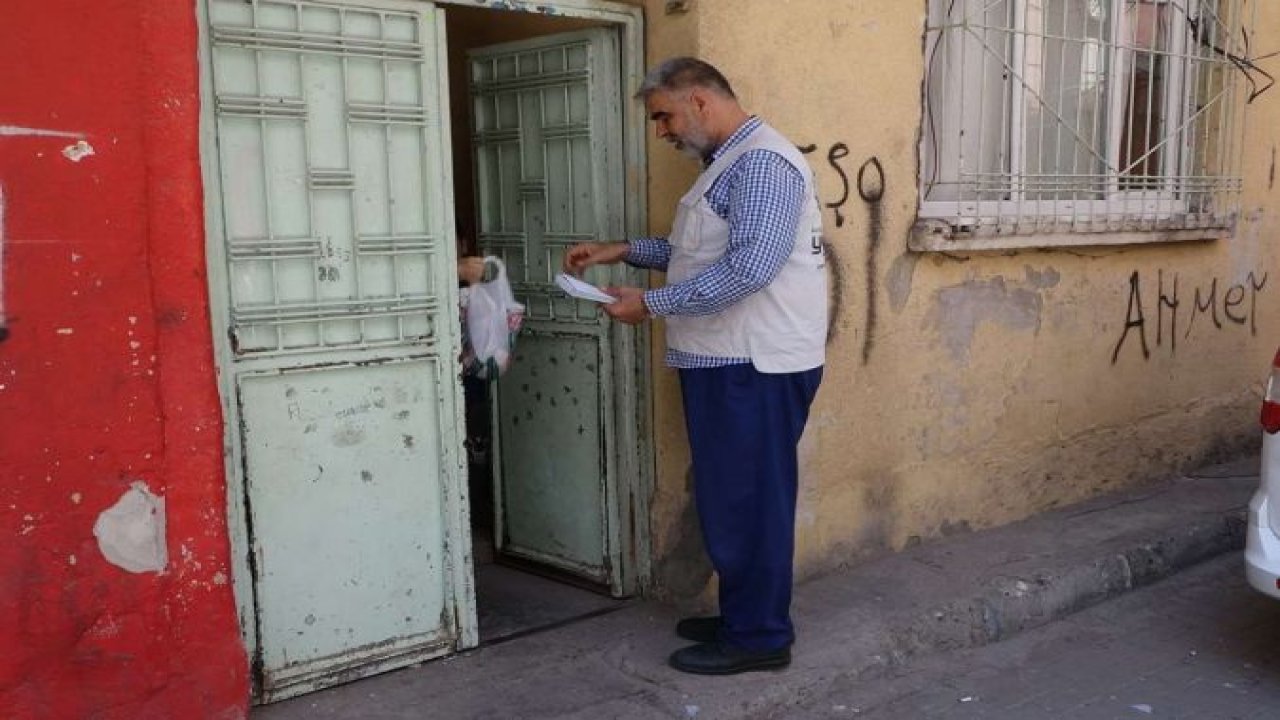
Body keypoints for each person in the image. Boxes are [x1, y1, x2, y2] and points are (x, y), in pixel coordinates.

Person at [563, 57, 827, 675]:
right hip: (730, 361)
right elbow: (697, 255)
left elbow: (750, 269)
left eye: (664, 116)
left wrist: (649, 304)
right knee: (732, 498)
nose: (661, 131)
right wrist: (624, 250)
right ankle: (745, 616)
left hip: (753, 365)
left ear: (701, 102)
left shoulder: (762, 163)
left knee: (750, 502)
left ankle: (760, 638)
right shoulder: (729, 165)